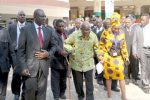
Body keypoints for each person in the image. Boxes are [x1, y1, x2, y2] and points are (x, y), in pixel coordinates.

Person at [17, 9, 57, 100]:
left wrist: (48, 54)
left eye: (44, 16)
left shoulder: (49, 30)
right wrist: (23, 67)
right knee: (29, 93)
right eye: (41, 16)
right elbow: (20, 50)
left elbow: (54, 46)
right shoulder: (25, 30)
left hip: (43, 68)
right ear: (34, 17)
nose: (44, 18)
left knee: (41, 94)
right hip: (29, 69)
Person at [97, 13, 129, 100]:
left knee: (121, 76)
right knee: (108, 76)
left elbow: (123, 46)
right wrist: (101, 57)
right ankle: (109, 95)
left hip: (119, 58)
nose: (116, 30)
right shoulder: (105, 33)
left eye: (118, 28)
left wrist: (126, 56)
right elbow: (101, 46)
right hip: (108, 57)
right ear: (111, 26)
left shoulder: (122, 32)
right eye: (115, 28)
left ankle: (124, 96)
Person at [64, 21, 98, 100]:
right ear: (81, 29)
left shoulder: (93, 36)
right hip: (76, 63)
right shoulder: (74, 35)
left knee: (89, 83)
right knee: (78, 83)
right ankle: (80, 95)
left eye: (88, 30)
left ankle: (90, 98)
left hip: (88, 63)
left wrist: (100, 56)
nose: (87, 32)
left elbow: (97, 47)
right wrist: (71, 49)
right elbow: (66, 43)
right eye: (85, 30)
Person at [8, 10, 28, 100]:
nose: (22, 16)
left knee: (26, 73)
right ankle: (16, 93)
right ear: (17, 16)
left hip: (26, 54)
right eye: (20, 15)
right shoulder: (11, 27)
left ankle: (24, 93)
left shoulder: (29, 27)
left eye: (24, 15)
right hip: (15, 54)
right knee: (16, 74)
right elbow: (8, 41)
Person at [50, 19, 68, 100]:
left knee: (63, 80)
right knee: (55, 81)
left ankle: (62, 93)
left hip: (65, 61)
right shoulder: (53, 34)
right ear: (56, 26)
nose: (61, 28)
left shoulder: (66, 33)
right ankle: (56, 96)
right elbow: (54, 45)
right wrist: (61, 51)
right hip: (56, 61)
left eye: (63, 26)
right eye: (59, 26)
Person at [133, 13, 150, 93]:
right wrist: (134, 51)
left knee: (148, 68)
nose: (141, 21)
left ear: (148, 20)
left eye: (143, 20)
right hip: (142, 50)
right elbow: (134, 41)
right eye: (141, 19)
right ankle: (145, 84)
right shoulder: (138, 28)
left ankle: (148, 81)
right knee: (144, 67)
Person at [0, 17, 16, 100]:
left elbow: (11, 50)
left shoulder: (5, 32)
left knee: (3, 87)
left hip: (4, 65)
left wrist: (14, 65)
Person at [102, 18, 120, 92]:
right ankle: (106, 85)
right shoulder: (103, 33)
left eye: (109, 24)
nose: (108, 25)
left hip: (116, 55)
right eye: (107, 24)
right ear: (104, 25)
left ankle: (114, 86)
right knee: (106, 70)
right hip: (107, 55)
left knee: (115, 70)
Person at [122, 16, 140, 85]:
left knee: (134, 64)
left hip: (134, 50)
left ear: (132, 22)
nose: (127, 23)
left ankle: (134, 78)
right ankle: (126, 78)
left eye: (128, 22)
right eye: (126, 22)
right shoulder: (122, 29)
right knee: (126, 64)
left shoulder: (136, 29)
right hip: (125, 50)